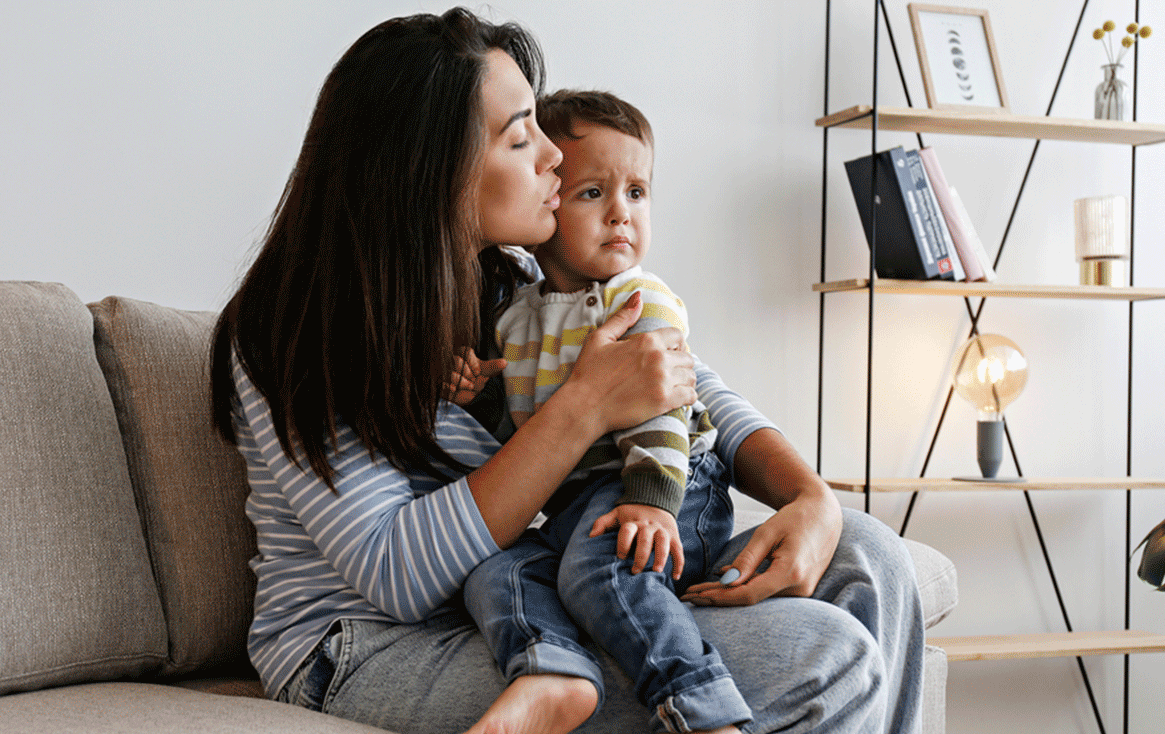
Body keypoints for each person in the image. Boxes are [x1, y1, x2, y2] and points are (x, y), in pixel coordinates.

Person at [209, 7, 926, 734]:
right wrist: (583, 405)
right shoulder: (288, 331)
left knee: (873, 558)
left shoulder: (513, 281)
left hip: (532, 588)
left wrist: (809, 497)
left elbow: (675, 371)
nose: (554, 155)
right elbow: (396, 575)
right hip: (367, 643)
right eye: (521, 137)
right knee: (823, 656)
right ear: (431, 171)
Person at [457, 89, 754, 733]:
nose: (622, 213)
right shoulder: (515, 319)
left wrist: (652, 499)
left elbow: (668, 408)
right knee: (494, 573)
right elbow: (520, 431)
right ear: (548, 196)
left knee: (600, 567)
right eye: (594, 193)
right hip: (575, 502)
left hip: (669, 482)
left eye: (638, 193)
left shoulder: (642, 299)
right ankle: (553, 670)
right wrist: (474, 394)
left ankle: (703, 710)